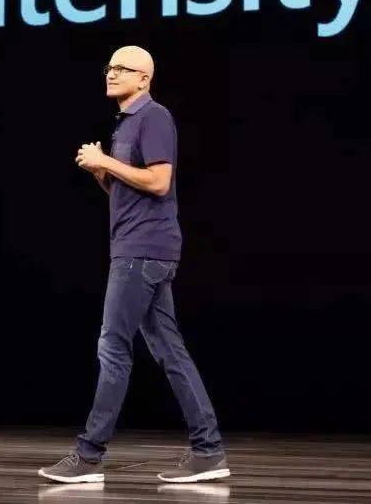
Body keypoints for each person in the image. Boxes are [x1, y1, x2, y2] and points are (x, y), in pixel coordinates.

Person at [37, 45, 230, 484]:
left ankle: (89, 456)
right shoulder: (126, 122)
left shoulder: (153, 117)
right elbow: (131, 193)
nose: (111, 73)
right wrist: (102, 174)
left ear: (144, 78)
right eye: (109, 67)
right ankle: (208, 451)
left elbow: (160, 182)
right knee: (170, 351)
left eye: (122, 68)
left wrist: (105, 160)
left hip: (141, 252)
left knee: (113, 347)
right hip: (143, 248)